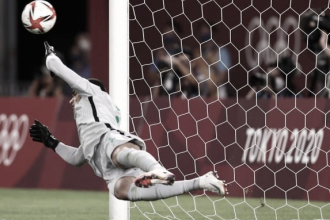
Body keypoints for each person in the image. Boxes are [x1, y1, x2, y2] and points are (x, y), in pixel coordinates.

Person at [29, 41, 227, 201]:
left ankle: (157, 169)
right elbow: (77, 158)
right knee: (122, 191)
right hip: (105, 163)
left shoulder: (91, 92)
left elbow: (60, 70)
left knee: (118, 153)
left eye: (74, 93)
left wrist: (51, 57)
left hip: (111, 142)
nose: (72, 98)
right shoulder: (90, 126)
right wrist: (52, 143)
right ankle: (200, 182)